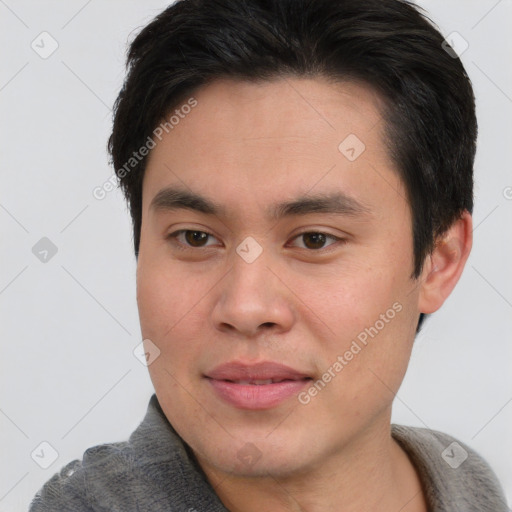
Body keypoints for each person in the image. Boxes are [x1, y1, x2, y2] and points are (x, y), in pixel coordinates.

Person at [29, 0, 509, 510]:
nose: (245, 307)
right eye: (195, 237)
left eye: (314, 240)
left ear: (439, 259)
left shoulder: (465, 485)